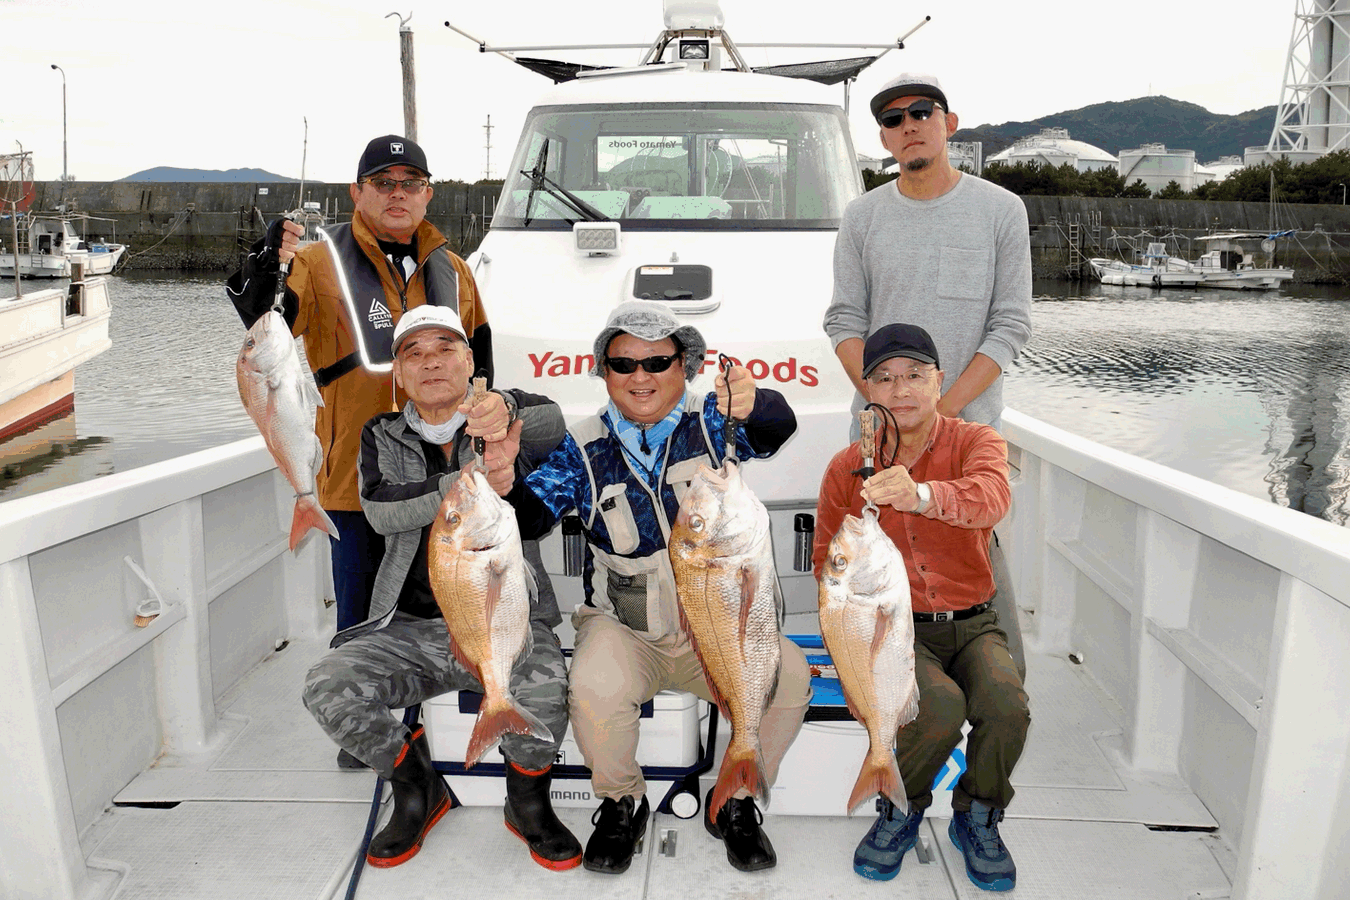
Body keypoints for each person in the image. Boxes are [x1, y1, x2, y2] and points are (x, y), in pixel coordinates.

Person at [507, 300, 812, 875]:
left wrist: (756, 401)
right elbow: (529, 517)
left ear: (687, 365)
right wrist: (503, 480)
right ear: (603, 372)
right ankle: (623, 800)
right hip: (626, 629)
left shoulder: (716, 422)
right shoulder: (581, 445)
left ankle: (734, 800)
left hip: (720, 630)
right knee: (595, 686)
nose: (640, 377)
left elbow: (776, 428)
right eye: (623, 364)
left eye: (657, 361)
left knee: (791, 676)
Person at [301, 305, 580, 871]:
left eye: (445, 348)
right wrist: (465, 483)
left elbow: (553, 421)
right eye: (414, 353)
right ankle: (416, 786)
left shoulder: (502, 422)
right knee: (327, 683)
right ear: (398, 374)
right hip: (408, 627)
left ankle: (527, 803)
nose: (431, 363)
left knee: (547, 690)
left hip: (508, 623)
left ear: (469, 361)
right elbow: (380, 512)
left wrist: (508, 409)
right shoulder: (381, 433)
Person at [227, 135, 493, 656]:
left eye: (410, 183)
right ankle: (369, 735)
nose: (398, 194)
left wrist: (486, 452)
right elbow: (265, 319)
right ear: (357, 191)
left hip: (444, 480)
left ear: (427, 194)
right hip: (354, 484)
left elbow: (481, 369)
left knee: (449, 618)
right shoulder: (314, 262)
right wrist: (266, 260)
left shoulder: (456, 271)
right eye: (383, 183)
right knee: (362, 627)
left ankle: (425, 726)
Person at [822, 72, 1034, 678]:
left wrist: (942, 411)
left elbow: (1011, 324)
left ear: (950, 124)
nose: (908, 124)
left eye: (922, 111)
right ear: (884, 140)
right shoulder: (862, 216)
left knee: (970, 559)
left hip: (968, 431)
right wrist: (887, 403)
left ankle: (991, 691)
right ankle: (887, 697)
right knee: (873, 568)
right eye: (892, 119)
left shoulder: (1001, 210)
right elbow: (844, 319)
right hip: (879, 436)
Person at [813, 324, 1030, 893]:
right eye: (883, 378)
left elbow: (992, 498)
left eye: (914, 375)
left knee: (1006, 703)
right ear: (868, 392)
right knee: (936, 706)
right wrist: (847, 634)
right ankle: (901, 808)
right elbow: (824, 561)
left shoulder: (976, 441)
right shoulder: (845, 467)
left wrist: (923, 495)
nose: (900, 389)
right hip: (893, 627)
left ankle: (978, 812)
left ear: (939, 382)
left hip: (974, 619)